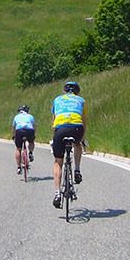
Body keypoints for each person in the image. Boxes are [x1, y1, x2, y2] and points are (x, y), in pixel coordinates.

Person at [50, 80, 87, 208]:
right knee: (77, 145)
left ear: (64, 91)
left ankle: (57, 194)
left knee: (58, 162)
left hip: (60, 130)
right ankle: (77, 170)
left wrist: (54, 139)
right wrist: (82, 139)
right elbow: (84, 121)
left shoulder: (57, 100)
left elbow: (54, 122)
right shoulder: (81, 100)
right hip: (77, 128)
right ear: (77, 91)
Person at [12, 105, 36, 174]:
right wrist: (33, 135)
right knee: (31, 142)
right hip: (29, 130)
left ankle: (19, 167)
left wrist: (14, 136)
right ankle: (30, 153)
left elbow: (14, 128)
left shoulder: (16, 117)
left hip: (19, 131)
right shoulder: (31, 116)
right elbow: (34, 127)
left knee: (18, 149)